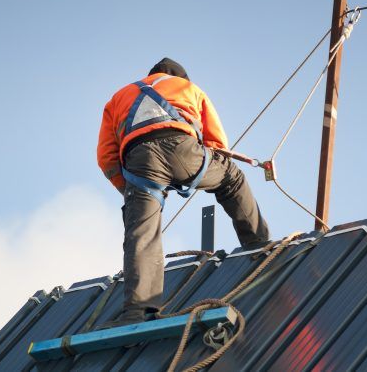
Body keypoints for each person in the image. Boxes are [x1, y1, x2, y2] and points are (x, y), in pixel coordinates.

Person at [97, 58, 269, 327]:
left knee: (141, 232)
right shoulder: (190, 88)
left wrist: (132, 192)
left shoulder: (118, 97)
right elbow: (217, 145)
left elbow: (107, 158)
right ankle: (259, 248)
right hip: (183, 147)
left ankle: (137, 311)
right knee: (232, 178)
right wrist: (198, 168)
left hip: (140, 160)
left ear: (151, 74)